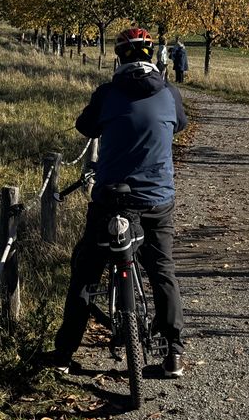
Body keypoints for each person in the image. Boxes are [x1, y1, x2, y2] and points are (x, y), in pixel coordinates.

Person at [51, 27, 188, 377]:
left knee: (86, 271)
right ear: (151, 54)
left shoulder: (107, 93)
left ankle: (64, 354)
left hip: (111, 198)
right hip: (158, 198)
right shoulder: (169, 92)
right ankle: (174, 353)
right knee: (162, 270)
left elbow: (85, 127)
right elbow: (179, 126)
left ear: (119, 57)